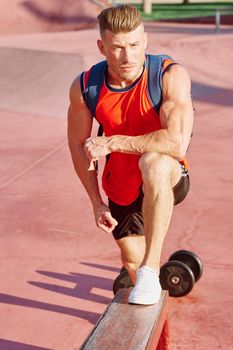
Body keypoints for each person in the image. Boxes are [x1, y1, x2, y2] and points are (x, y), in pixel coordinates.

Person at [67, 4, 193, 305]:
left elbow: (175, 143)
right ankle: (147, 279)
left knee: (154, 163)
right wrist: (96, 203)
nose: (128, 56)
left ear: (145, 40)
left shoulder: (168, 75)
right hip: (121, 184)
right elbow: (78, 144)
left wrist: (111, 143)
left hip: (168, 173)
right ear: (102, 46)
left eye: (135, 45)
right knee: (132, 264)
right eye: (118, 47)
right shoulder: (86, 86)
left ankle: (152, 269)